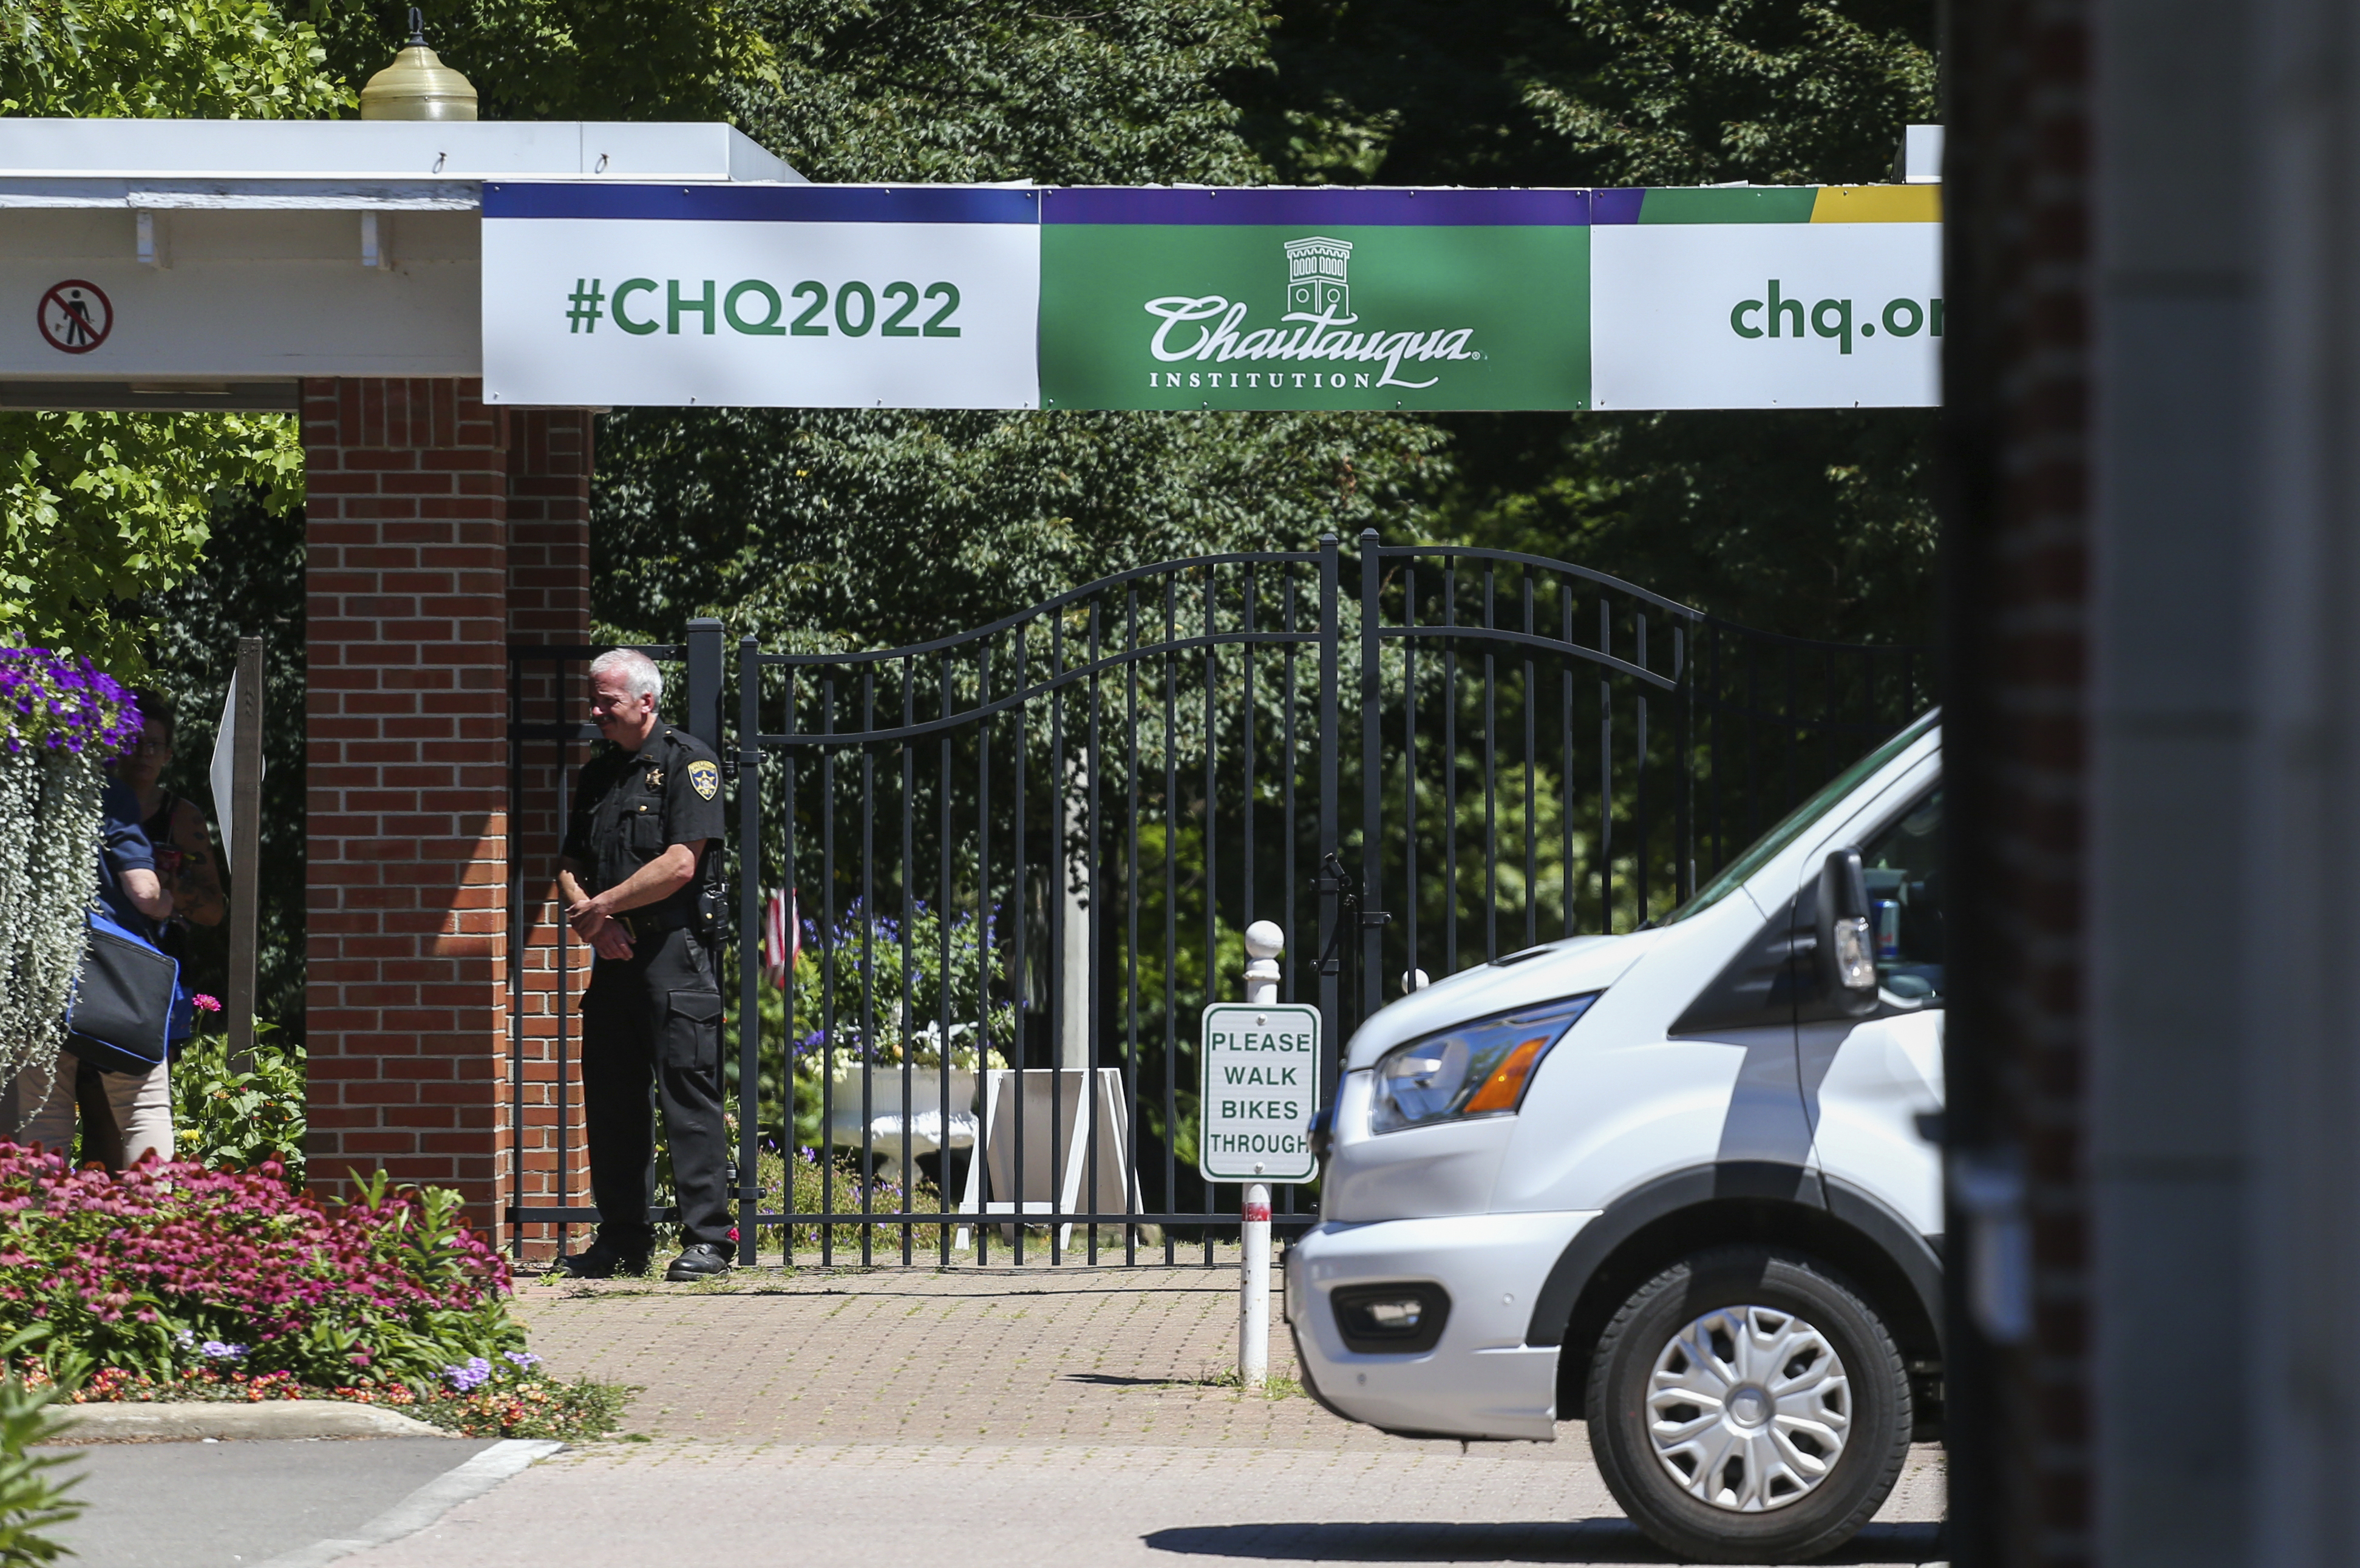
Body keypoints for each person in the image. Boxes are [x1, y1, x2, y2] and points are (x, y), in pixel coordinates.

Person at [556, 648, 732, 1281]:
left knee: (688, 1099)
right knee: (611, 1101)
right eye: (594, 699)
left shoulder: (690, 764)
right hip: (614, 957)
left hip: (673, 956)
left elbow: (681, 862)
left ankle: (709, 1240)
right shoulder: (599, 773)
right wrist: (591, 917)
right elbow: (568, 860)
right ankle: (623, 1240)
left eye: (606, 701)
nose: (595, 711)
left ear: (645, 702)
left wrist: (601, 908)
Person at [5, 779, 175, 1165]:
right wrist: (166, 903)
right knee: (141, 1107)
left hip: (30, 978)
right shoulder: (104, 789)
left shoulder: (14, 786)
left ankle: (44, 1220)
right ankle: (155, 1220)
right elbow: (143, 891)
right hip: (110, 976)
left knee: (43, 1118)